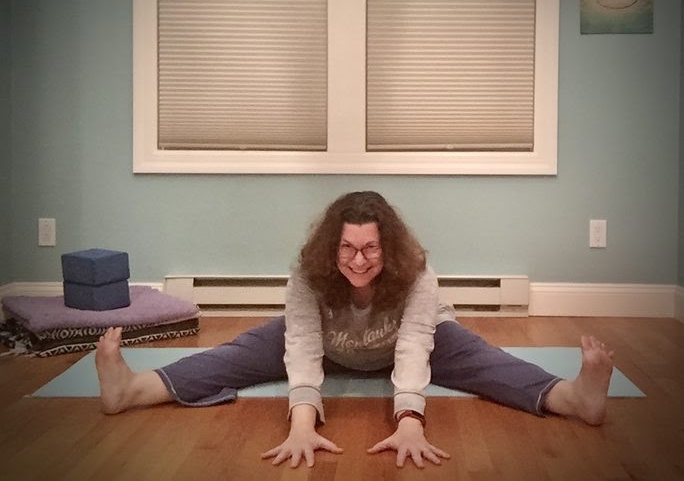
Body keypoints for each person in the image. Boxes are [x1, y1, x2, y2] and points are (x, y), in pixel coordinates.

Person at [95, 191, 614, 469]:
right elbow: (300, 342)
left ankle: (575, 399)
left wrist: (409, 417)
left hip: (404, 343)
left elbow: (413, 344)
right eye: (347, 247)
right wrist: (303, 423)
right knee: (244, 348)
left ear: (388, 246)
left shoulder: (418, 275)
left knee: (479, 355)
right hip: (328, 343)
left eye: (370, 247)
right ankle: (132, 388)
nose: (359, 259)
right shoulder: (307, 272)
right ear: (331, 246)